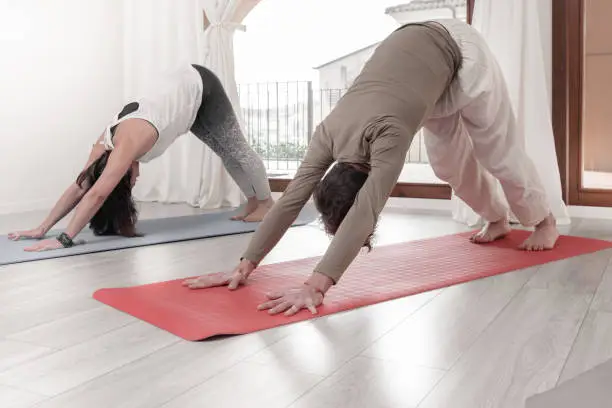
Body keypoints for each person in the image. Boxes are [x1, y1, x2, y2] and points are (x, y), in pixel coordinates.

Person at [183, 19, 560, 316]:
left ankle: (543, 220)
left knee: (496, 151)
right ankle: (497, 219)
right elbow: (289, 200)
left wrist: (316, 285)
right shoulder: (326, 133)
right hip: (421, 75)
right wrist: (245, 264)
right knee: (447, 166)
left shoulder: (388, 135)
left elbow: (367, 207)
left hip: (459, 51)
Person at [8, 64, 274, 252]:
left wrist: (64, 238)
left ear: (122, 173)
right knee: (224, 151)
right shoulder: (102, 146)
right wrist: (42, 228)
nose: (138, 178)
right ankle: (252, 202)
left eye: (132, 182)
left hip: (200, 85)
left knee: (236, 148)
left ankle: (266, 203)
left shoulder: (126, 144)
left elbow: (97, 194)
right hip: (185, 102)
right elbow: (81, 186)